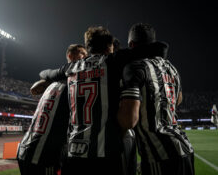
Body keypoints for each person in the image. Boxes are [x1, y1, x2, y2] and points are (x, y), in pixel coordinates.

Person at [39, 26, 168, 175]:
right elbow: (161, 48)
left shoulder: (71, 68)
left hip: (74, 154)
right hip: (105, 154)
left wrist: (44, 79)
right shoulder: (112, 60)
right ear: (109, 47)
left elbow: (46, 73)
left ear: (88, 46)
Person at [118, 23, 194, 175]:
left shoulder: (136, 67)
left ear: (131, 44)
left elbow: (129, 120)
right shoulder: (171, 67)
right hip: (186, 149)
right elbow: (178, 100)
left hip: (160, 155)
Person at [17, 44, 87, 175]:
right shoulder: (73, 85)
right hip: (43, 155)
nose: (85, 57)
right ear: (70, 56)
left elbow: (44, 75)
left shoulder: (52, 83)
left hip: (26, 149)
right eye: (81, 53)